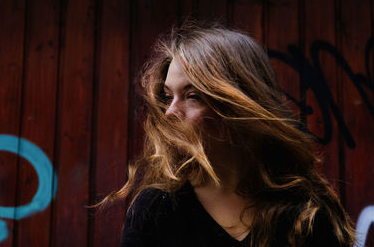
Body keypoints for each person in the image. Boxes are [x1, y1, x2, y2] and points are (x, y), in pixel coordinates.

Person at [100, 20, 356, 247]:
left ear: (240, 104)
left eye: (192, 96)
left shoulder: (305, 214)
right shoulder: (156, 208)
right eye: (168, 97)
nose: (169, 113)